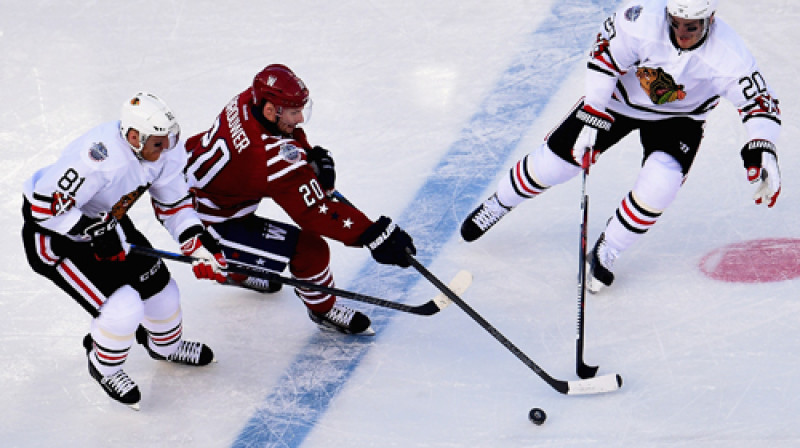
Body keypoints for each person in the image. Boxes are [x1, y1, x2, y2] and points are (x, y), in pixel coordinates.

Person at [460, 0, 781, 293]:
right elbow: (603, 59)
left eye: (692, 26)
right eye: (676, 22)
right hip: (617, 102)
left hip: (681, 118)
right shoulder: (639, 19)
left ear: (710, 21)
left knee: (661, 184)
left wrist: (762, 147)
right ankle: (500, 202)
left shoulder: (729, 53)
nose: (682, 32)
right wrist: (594, 112)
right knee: (556, 165)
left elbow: (758, 104)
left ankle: (607, 249)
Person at [22, 92, 228, 410]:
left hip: (108, 224)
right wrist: (87, 232)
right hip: (56, 239)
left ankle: (166, 347)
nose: (167, 148)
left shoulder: (164, 151)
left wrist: (193, 240)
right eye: (158, 143)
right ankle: (103, 366)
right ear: (134, 137)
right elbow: (42, 208)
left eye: (170, 139)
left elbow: (173, 203)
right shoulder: (97, 158)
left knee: (163, 294)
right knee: (123, 307)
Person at [183, 64, 416, 336]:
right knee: (311, 252)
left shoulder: (248, 100)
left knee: (264, 229)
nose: (301, 118)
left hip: (195, 181)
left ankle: (241, 269)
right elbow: (315, 212)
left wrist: (306, 155)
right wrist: (372, 234)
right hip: (208, 221)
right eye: (294, 111)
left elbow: (285, 138)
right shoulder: (269, 159)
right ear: (270, 109)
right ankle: (323, 309)